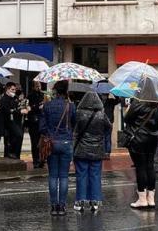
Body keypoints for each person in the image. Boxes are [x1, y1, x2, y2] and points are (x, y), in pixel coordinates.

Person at [122, 87, 158, 209]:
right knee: (150, 166)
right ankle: (151, 199)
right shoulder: (157, 105)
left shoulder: (137, 103)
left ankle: (142, 199)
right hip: (153, 139)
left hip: (138, 139)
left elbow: (127, 118)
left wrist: (129, 108)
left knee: (140, 168)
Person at [40, 80, 76, 216]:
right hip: (66, 142)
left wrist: (48, 134)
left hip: (52, 143)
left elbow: (42, 127)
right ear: (66, 91)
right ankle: (62, 206)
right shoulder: (71, 106)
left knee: (53, 176)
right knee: (64, 176)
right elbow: (74, 123)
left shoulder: (47, 105)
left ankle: (54, 206)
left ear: (55, 90)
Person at [73, 91, 110, 213]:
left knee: (81, 176)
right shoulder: (101, 114)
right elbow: (108, 127)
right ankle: (95, 202)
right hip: (97, 149)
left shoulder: (78, 113)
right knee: (95, 176)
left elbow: (75, 131)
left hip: (81, 149)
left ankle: (80, 201)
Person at [0, 82, 24, 159]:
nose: (14, 91)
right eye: (12, 89)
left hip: (15, 122)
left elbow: (17, 107)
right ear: (7, 89)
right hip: (7, 123)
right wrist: (17, 111)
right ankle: (11, 154)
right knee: (17, 136)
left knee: (16, 137)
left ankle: (15, 154)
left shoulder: (14, 98)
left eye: (15, 89)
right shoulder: (3, 99)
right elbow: (7, 110)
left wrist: (22, 107)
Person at [26, 82, 46, 168]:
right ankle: (36, 160)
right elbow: (29, 108)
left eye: (39, 85)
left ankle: (42, 159)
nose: (38, 87)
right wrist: (38, 106)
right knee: (34, 142)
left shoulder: (43, 95)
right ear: (33, 87)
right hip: (33, 121)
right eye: (37, 86)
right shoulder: (30, 96)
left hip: (42, 121)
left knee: (42, 142)